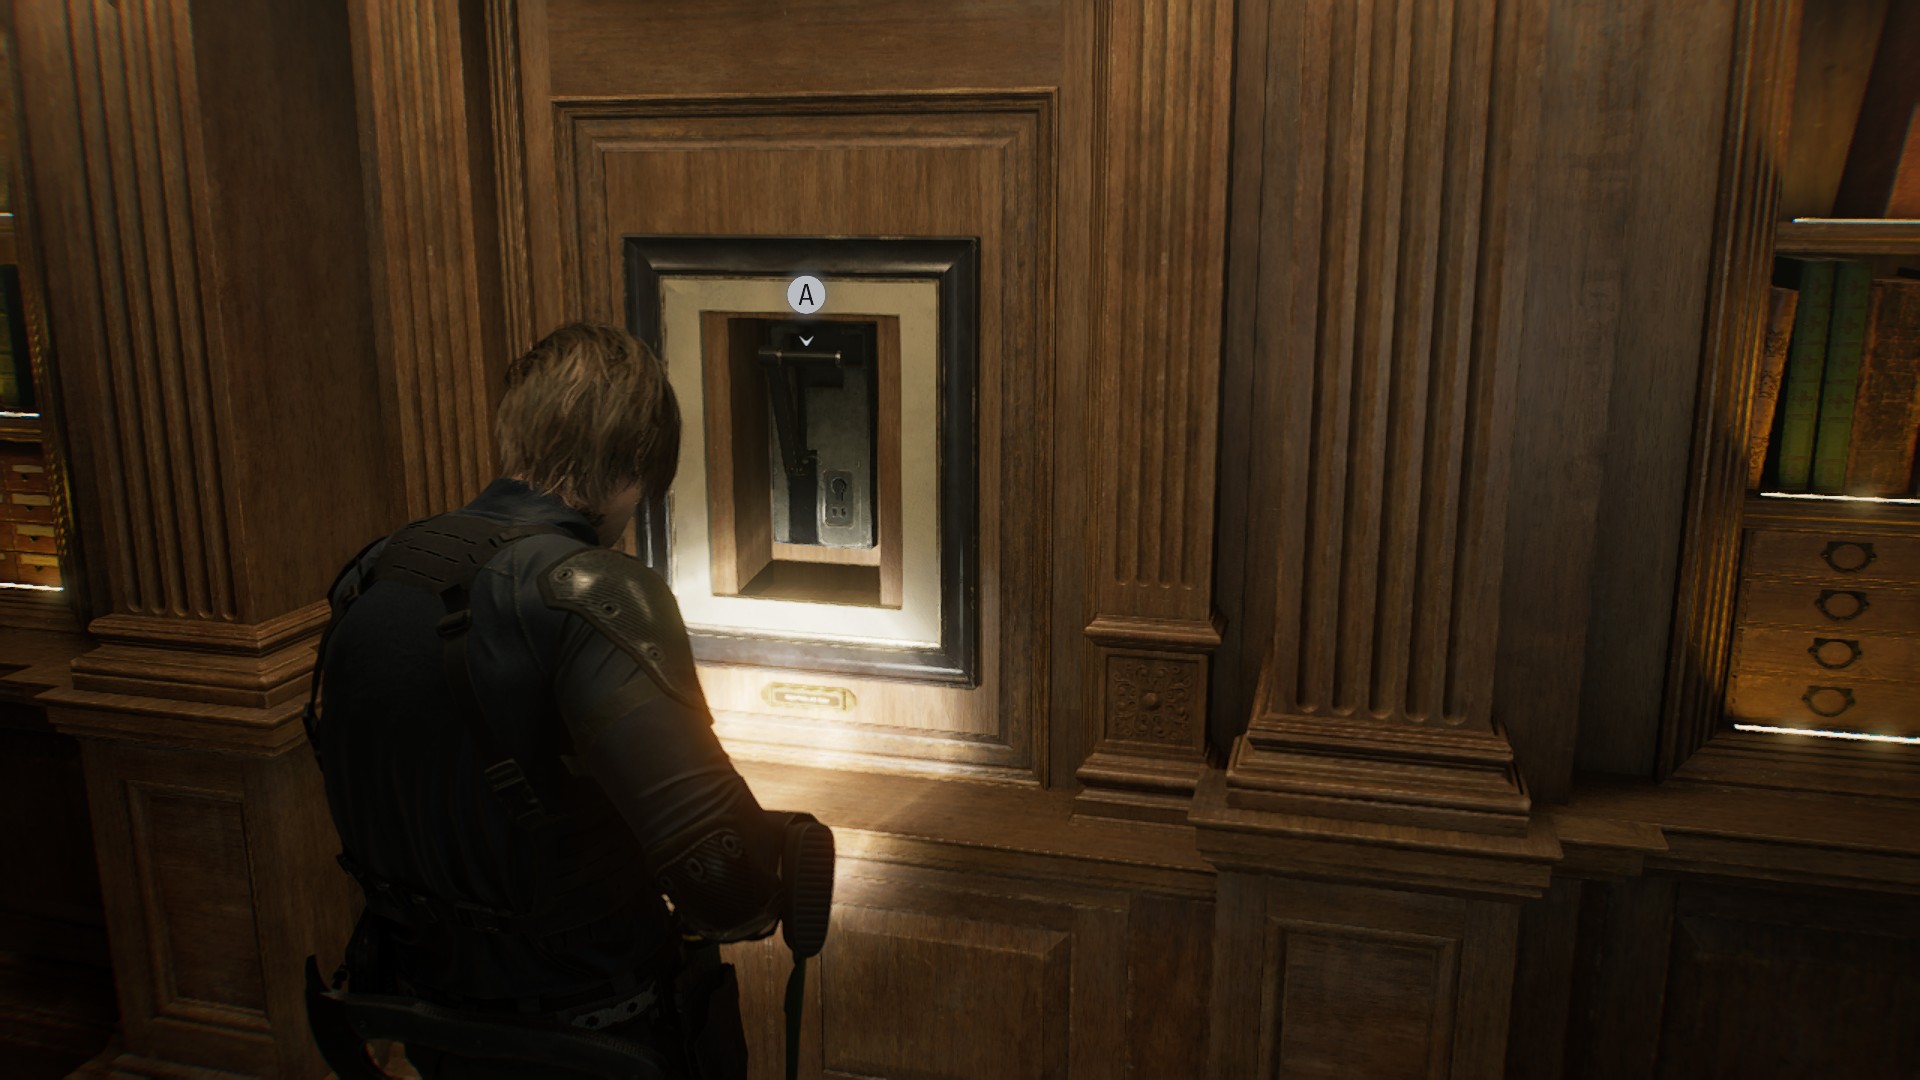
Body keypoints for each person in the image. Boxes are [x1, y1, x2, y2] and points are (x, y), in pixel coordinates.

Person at [302, 322, 831, 1079]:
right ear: (637, 463)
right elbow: (724, 884)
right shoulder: (590, 589)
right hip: (594, 1035)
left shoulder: (375, 569)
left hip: (431, 1024)